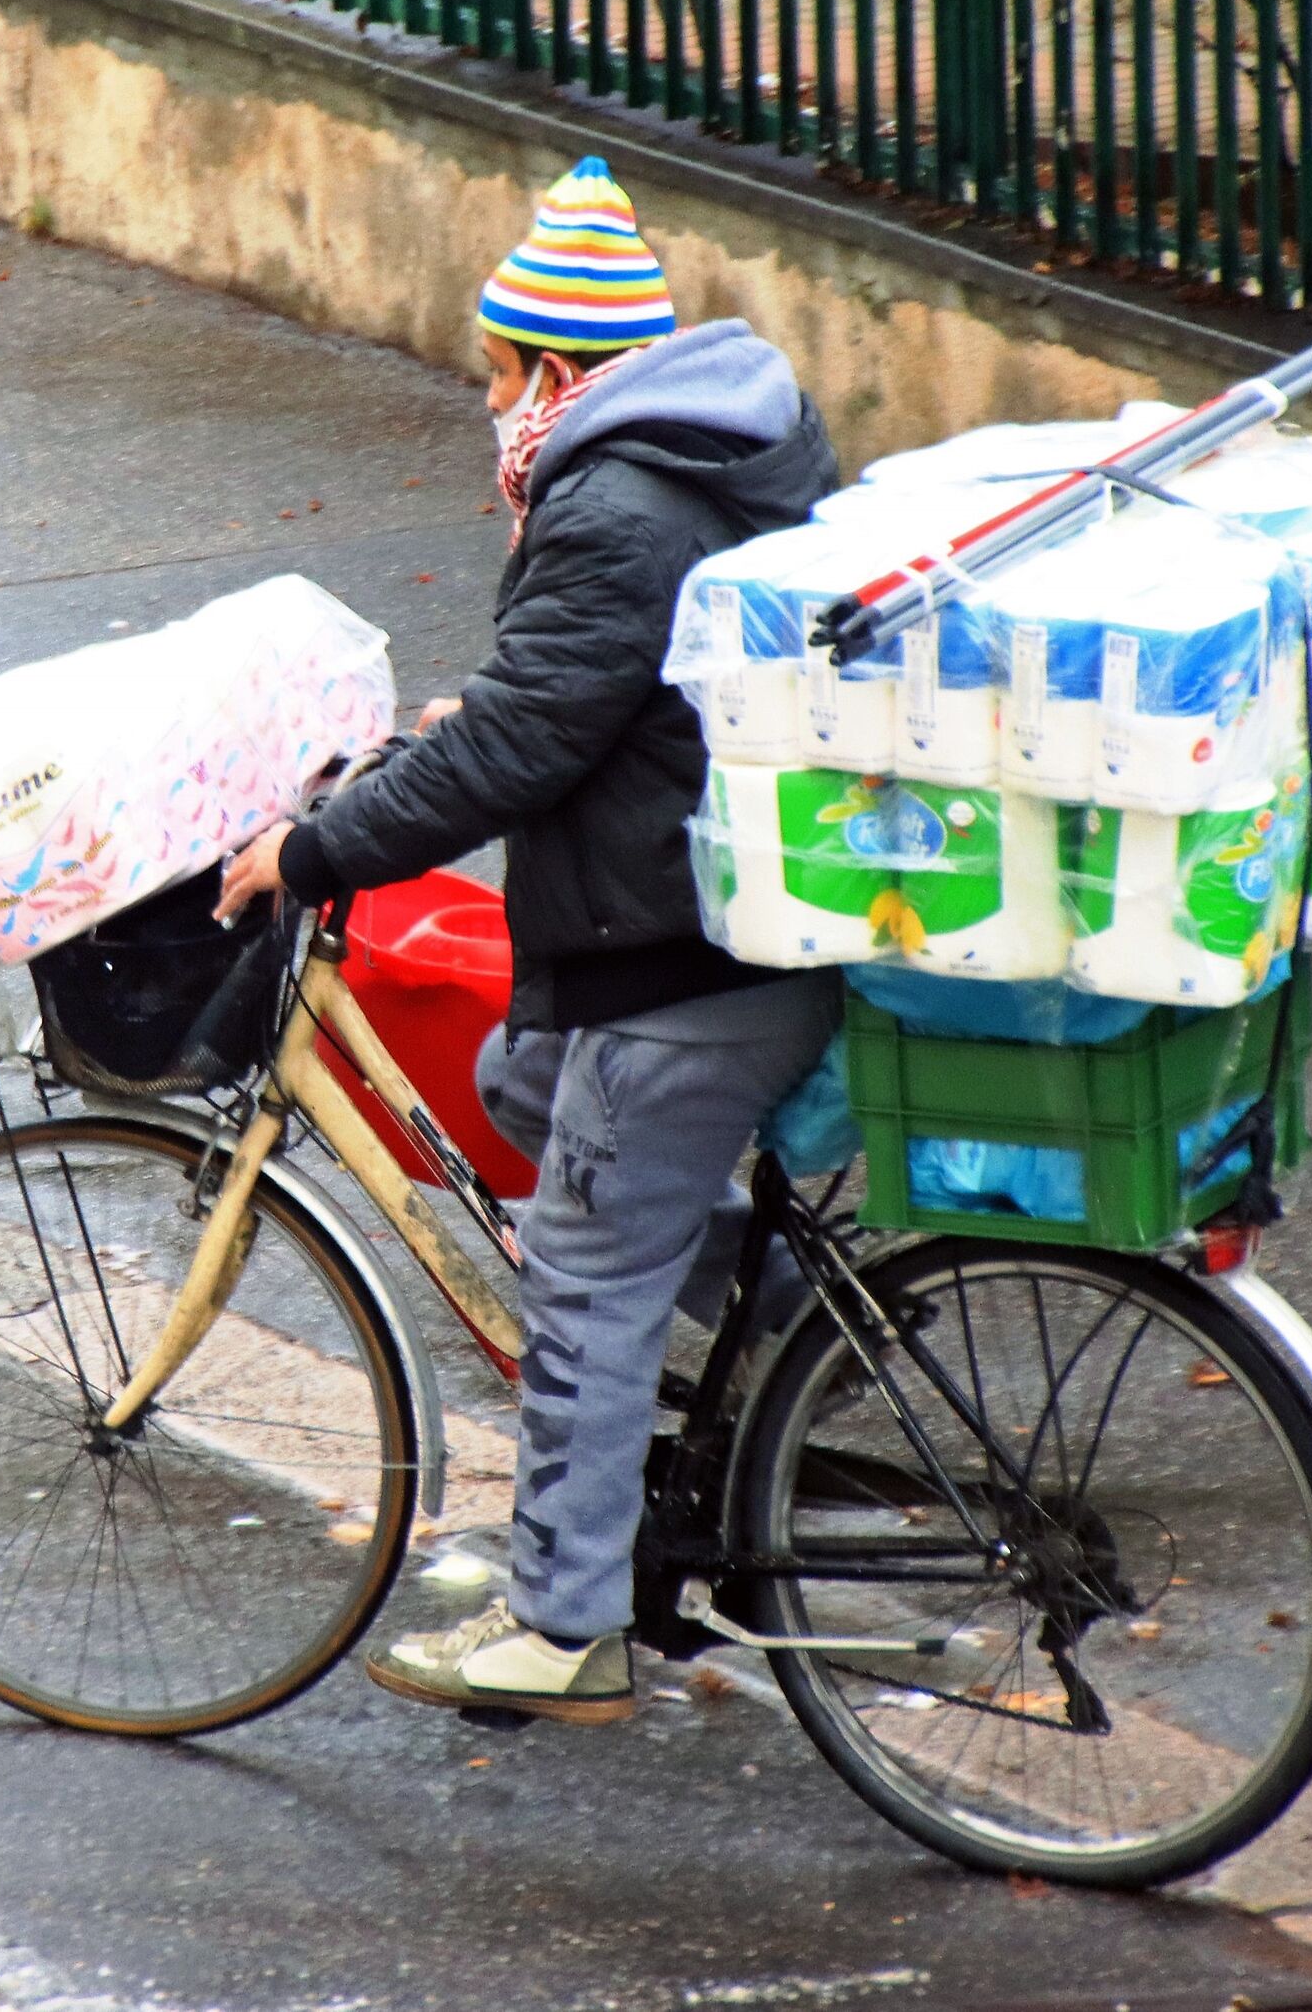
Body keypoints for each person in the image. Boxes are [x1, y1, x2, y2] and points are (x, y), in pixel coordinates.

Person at [215, 157, 839, 1725]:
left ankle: (563, 1629)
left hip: (682, 962)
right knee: (518, 1082)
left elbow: (522, 749)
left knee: (581, 1281)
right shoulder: (683, 462)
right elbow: (571, 707)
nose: (485, 401)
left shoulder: (617, 507)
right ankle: (802, 1382)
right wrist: (477, 725)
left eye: (494, 374)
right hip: (693, 922)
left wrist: (312, 849)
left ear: (558, 372)